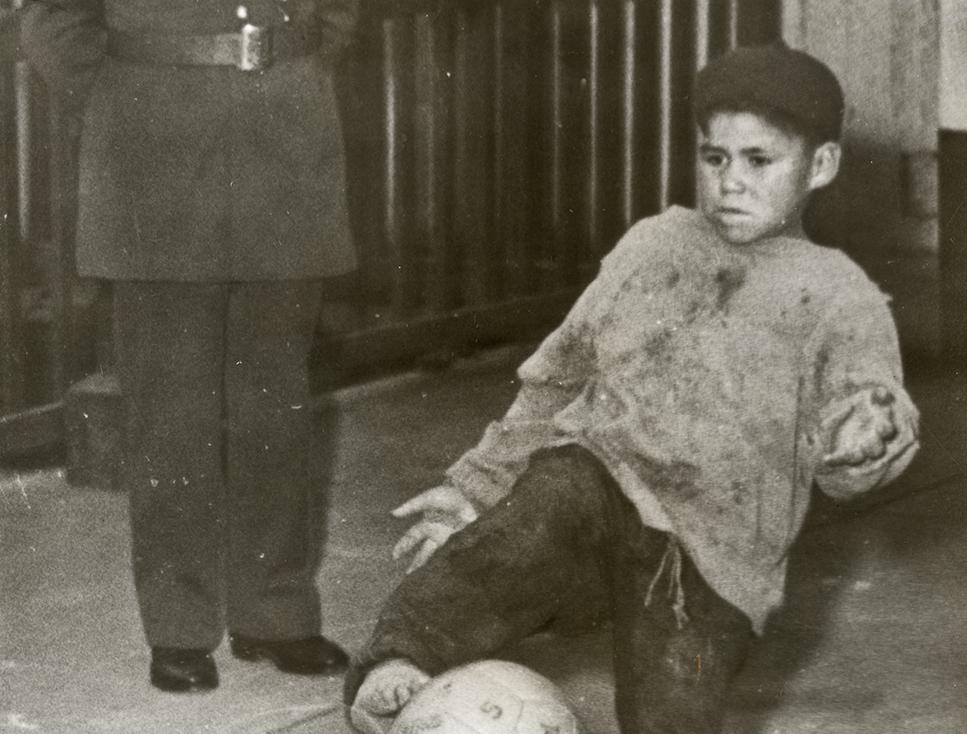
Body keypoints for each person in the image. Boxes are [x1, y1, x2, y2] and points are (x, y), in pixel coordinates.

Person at [343, 43, 921, 733]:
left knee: (673, 713)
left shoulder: (837, 295)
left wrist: (864, 441)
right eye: (714, 157)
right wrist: (477, 484)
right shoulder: (652, 247)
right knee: (553, 489)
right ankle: (399, 664)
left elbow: (868, 411)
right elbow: (557, 377)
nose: (730, 181)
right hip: (599, 496)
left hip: (708, 564)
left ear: (819, 165)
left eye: (759, 161)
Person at [22, 0, 359, 692]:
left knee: (276, 405)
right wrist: (132, 101)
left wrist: (293, 64)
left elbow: (339, 12)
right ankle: (178, 625)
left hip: (285, 140)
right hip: (154, 152)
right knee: (171, 411)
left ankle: (274, 612)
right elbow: (54, 23)